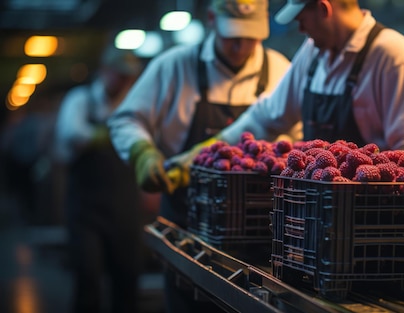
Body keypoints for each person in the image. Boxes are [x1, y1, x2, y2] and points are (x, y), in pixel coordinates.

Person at [107, 0, 293, 311]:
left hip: (260, 229)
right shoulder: (175, 65)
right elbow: (126, 119)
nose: (240, 46)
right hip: (185, 216)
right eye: (232, 36)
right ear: (211, 19)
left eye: (250, 37)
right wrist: (141, 152)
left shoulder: (280, 70)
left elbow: (298, 140)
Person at [169, 0, 404, 177]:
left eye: (302, 19)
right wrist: (205, 150)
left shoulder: (393, 55)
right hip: (314, 211)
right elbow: (266, 116)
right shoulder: (313, 53)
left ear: (324, 9)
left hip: (371, 217)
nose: (299, 29)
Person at [54, 46, 144, 313]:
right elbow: (72, 134)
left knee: (127, 279)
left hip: (125, 210)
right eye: (120, 75)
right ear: (105, 71)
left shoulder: (133, 105)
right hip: (86, 209)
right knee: (88, 277)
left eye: (130, 77)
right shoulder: (81, 101)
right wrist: (115, 135)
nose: (126, 82)